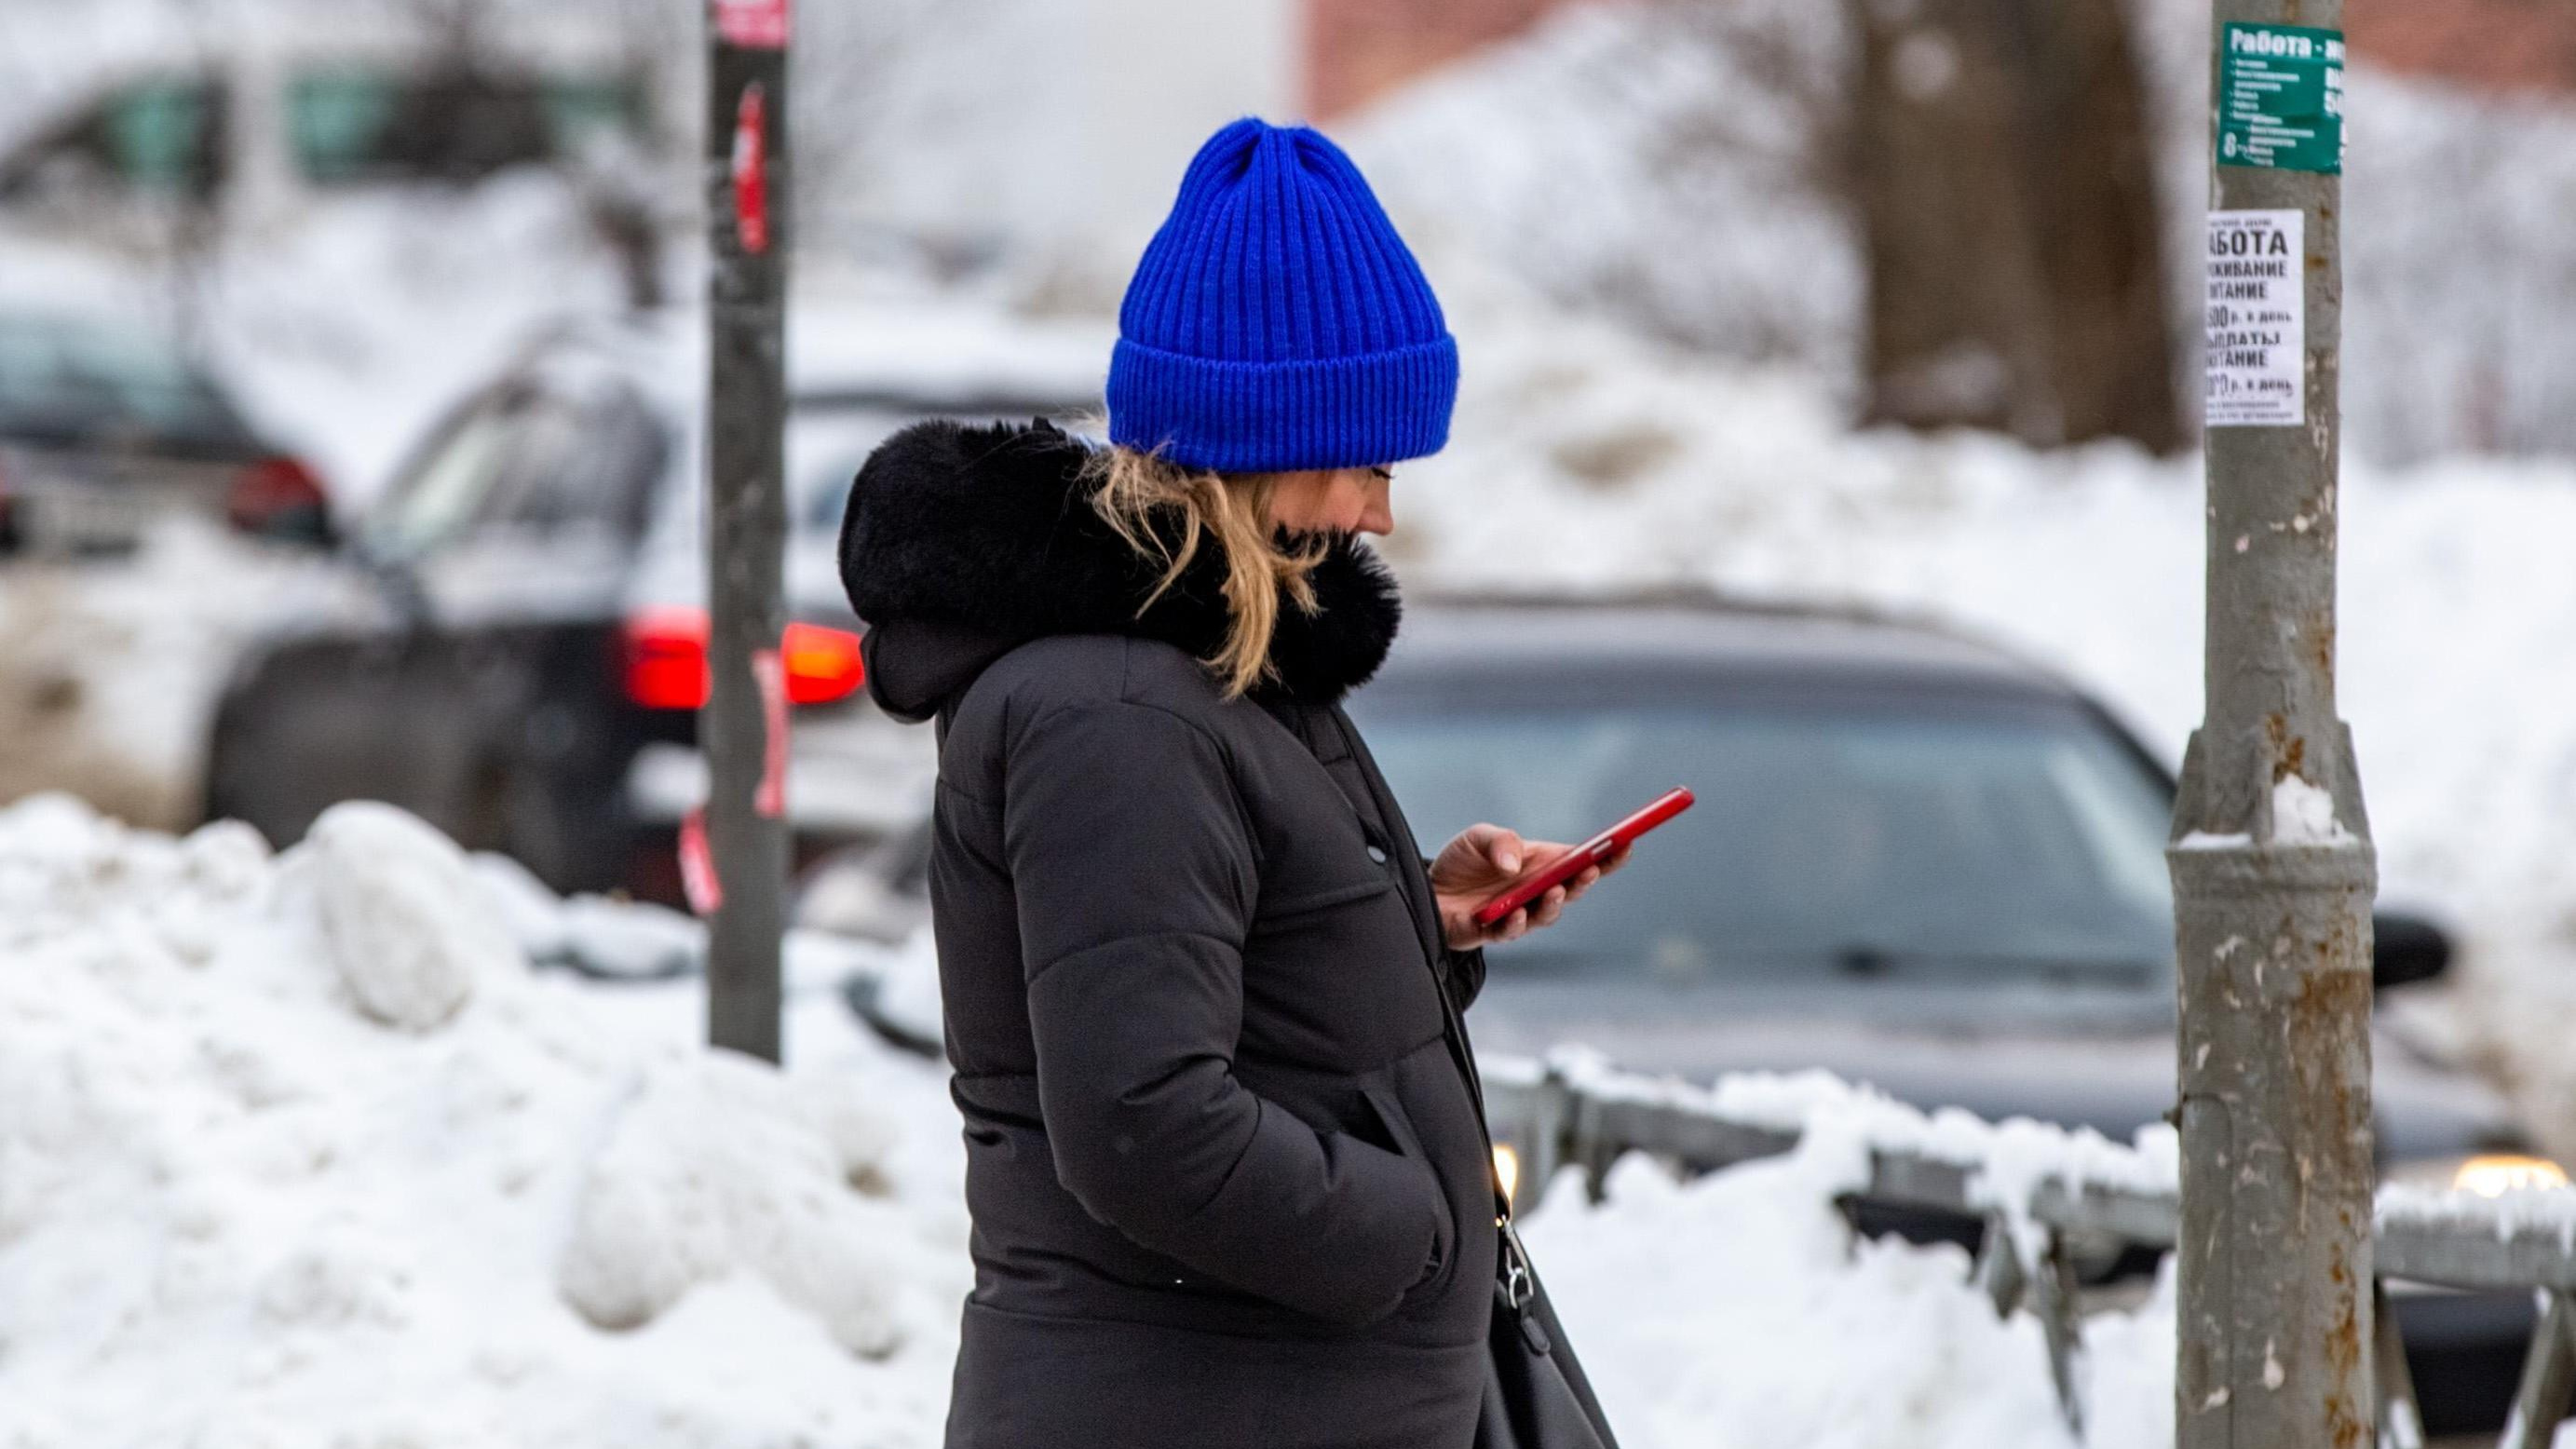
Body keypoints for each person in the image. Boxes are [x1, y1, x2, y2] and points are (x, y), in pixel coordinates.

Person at [837, 115, 1623, 1449]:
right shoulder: (1119, 713)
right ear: (1270, 437)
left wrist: (1410, 921)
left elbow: (1206, 975)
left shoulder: (1210, 674)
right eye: (1368, 461)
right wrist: (1416, 1237)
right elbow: (1143, 1119)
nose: (1380, 512)